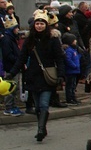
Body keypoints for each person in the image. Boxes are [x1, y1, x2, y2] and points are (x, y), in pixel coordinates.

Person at [6, 10, 65, 141]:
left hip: (47, 76)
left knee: (44, 104)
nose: (39, 26)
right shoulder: (29, 40)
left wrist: (61, 75)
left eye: (42, 24)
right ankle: (42, 126)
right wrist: (11, 73)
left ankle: (40, 129)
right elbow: (21, 59)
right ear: (34, 25)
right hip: (33, 76)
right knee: (37, 106)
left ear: (46, 25)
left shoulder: (53, 40)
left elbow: (59, 58)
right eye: (37, 23)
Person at [2, 16, 23, 116]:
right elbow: (8, 55)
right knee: (11, 88)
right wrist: (18, 61)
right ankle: (8, 107)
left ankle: (13, 105)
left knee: (15, 88)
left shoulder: (12, 38)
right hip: (10, 68)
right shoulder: (7, 40)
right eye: (16, 28)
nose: (18, 30)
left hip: (14, 67)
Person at [61, 33, 81, 105]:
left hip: (75, 70)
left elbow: (77, 58)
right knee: (70, 86)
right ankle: (69, 98)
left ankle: (73, 97)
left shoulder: (74, 49)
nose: (75, 41)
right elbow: (68, 59)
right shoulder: (69, 50)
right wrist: (74, 66)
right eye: (74, 40)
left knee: (73, 85)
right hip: (71, 71)